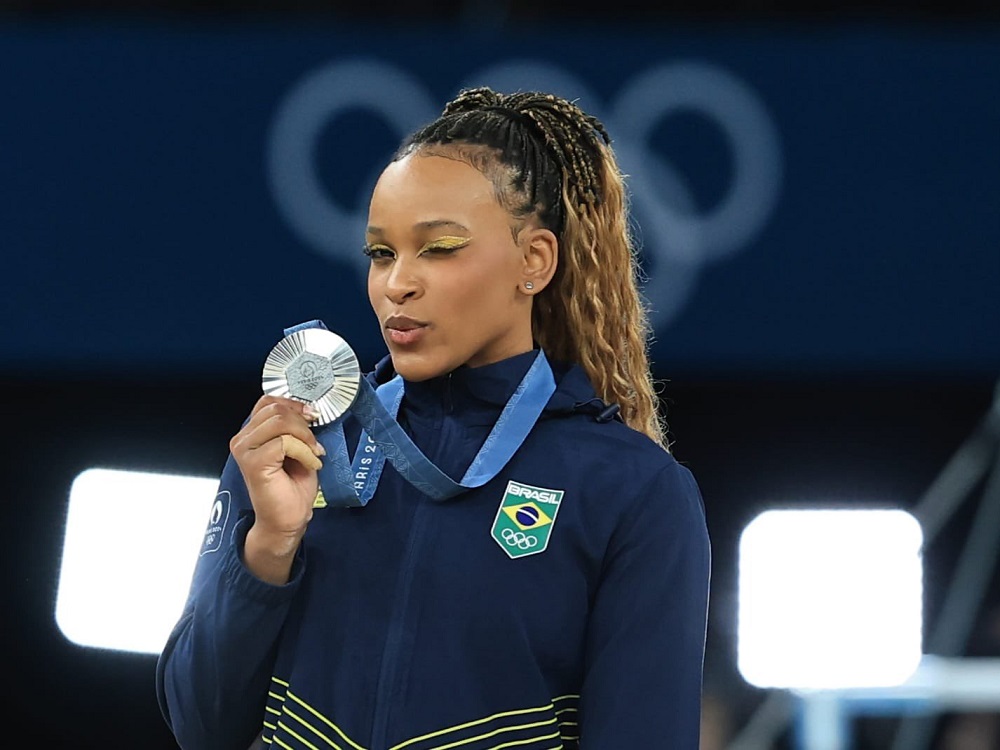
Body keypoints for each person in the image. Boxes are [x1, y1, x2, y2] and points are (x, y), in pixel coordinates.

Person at [156, 86, 711, 750]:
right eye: (381, 253)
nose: (397, 284)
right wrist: (269, 546)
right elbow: (200, 728)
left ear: (533, 261)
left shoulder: (631, 490)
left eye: (440, 248)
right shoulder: (300, 441)